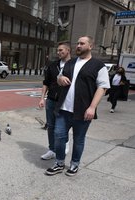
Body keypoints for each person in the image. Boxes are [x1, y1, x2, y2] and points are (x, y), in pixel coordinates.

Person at [45, 36, 110, 176]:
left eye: (82, 43)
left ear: (90, 46)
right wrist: (60, 78)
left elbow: (102, 87)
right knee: (58, 136)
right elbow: (59, 77)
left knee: (78, 140)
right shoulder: (70, 63)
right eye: (77, 43)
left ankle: (74, 164)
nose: (78, 46)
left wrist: (92, 107)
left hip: (83, 111)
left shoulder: (98, 65)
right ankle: (59, 163)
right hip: (63, 109)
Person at [39, 42, 71, 160]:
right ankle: (52, 149)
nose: (58, 52)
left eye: (61, 50)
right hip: (52, 99)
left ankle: (65, 144)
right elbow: (46, 82)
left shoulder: (74, 65)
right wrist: (42, 98)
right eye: (57, 50)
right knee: (51, 126)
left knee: (62, 127)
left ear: (68, 50)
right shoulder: (53, 65)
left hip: (65, 101)